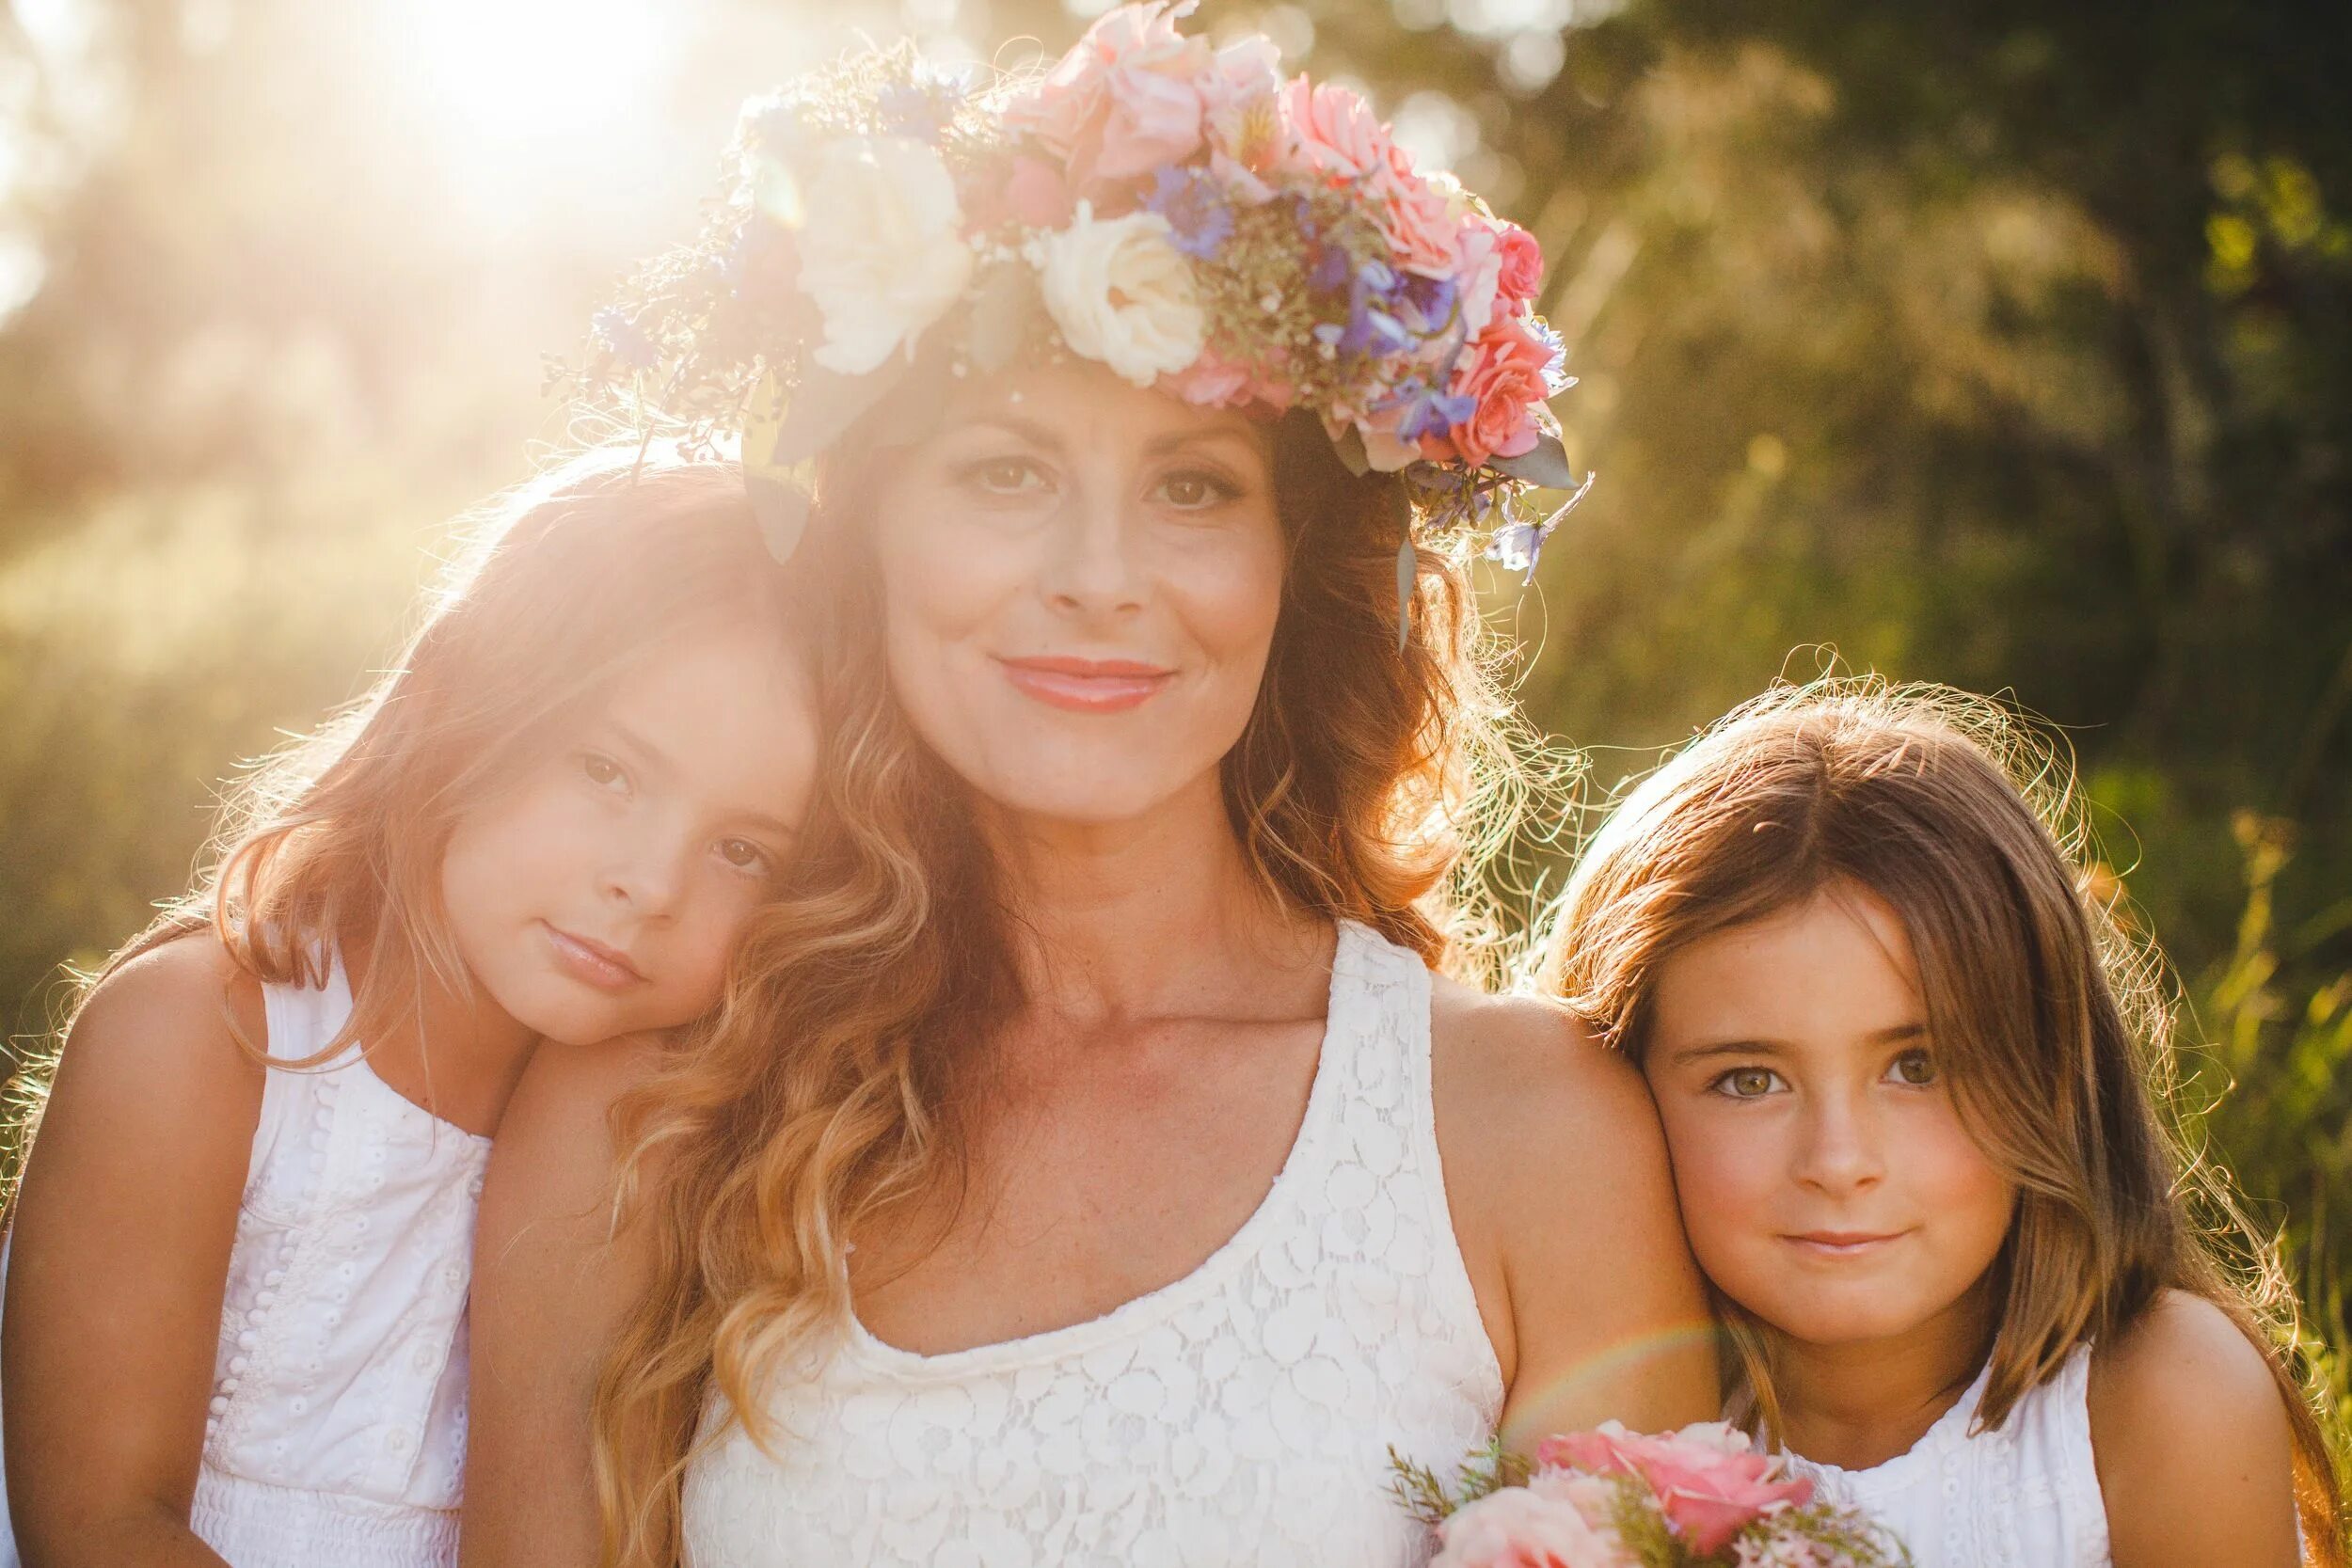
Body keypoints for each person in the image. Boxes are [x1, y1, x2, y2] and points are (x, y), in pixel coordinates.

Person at [462, 8, 1715, 1565]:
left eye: (1192, 487)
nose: (1101, 579)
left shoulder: (1524, 1128)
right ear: (870, 537)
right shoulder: (648, 1113)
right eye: (1006, 472)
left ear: (1287, 569)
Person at [0, 448, 820, 1568]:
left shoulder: (651, 1117)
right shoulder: (204, 1037)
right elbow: (97, 1526)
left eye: (743, 849)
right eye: (610, 771)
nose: (654, 882)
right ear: (463, 704)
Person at [1540, 679, 2348, 1568]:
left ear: (2049, 1067)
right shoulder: (1596, 1417)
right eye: (1750, 1079)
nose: (1839, 1161)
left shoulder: (2155, 1400)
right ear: (1617, 1091)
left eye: (1917, 1067)